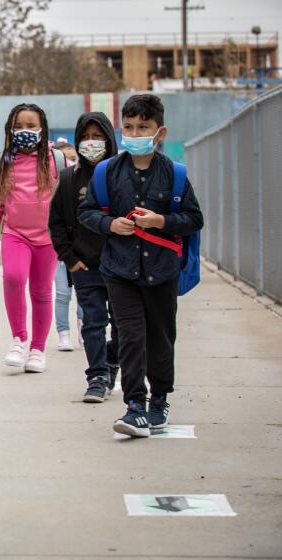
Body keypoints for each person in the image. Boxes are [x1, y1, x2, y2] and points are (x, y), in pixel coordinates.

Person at [79, 94, 203, 437]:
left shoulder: (175, 175)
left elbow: (194, 218)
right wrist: (110, 225)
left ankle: (159, 400)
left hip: (162, 271)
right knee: (129, 337)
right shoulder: (106, 173)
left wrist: (161, 221)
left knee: (161, 339)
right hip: (119, 271)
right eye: (129, 127)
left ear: (159, 131)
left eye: (143, 127)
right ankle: (135, 406)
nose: (134, 133)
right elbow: (86, 212)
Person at [0, 103, 65, 373]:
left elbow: (67, 203)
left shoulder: (56, 161)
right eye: (18, 126)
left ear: (42, 129)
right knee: (14, 278)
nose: (24, 131)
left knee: (41, 292)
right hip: (15, 233)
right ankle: (19, 339)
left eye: (31, 126)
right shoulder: (2, 162)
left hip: (47, 238)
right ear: (9, 129)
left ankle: (38, 350)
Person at [49, 112, 121, 403]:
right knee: (92, 322)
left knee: (122, 325)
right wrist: (70, 259)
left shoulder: (121, 174)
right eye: (86, 137)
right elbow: (55, 222)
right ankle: (96, 377)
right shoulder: (69, 178)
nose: (91, 142)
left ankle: (112, 361)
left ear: (109, 139)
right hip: (85, 266)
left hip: (120, 267)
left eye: (98, 136)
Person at [50, 139, 84, 352]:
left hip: (82, 247)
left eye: (74, 157)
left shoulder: (83, 182)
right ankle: (63, 334)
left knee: (83, 292)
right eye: (67, 159)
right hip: (60, 249)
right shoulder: (56, 184)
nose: (71, 162)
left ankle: (83, 329)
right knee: (63, 293)